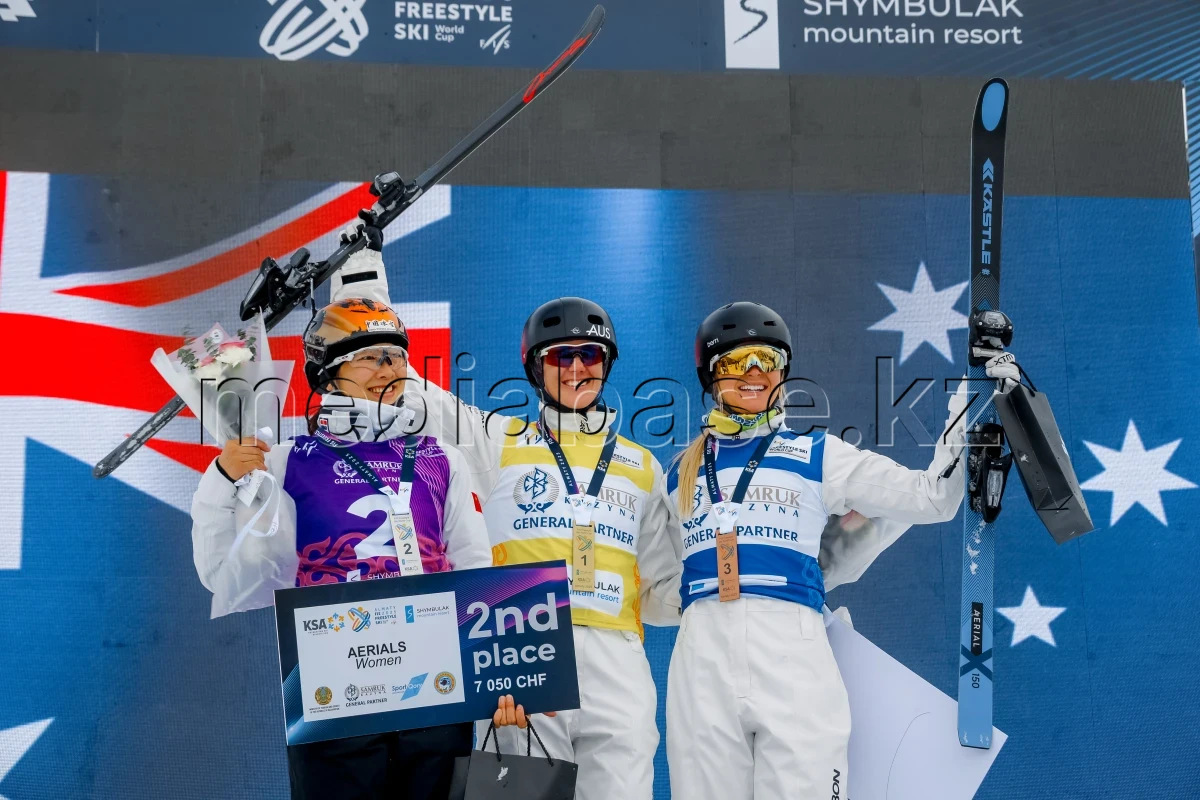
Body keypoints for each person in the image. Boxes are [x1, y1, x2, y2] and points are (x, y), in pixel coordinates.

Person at [329, 240, 682, 800]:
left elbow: (668, 592)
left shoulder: (643, 466)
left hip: (619, 666)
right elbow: (411, 395)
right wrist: (363, 290)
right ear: (533, 367)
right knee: (517, 795)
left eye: (589, 356)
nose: (575, 369)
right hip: (523, 657)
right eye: (558, 357)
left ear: (607, 364)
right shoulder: (499, 441)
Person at [664, 301, 1019, 799]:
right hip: (700, 662)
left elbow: (930, 497)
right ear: (710, 377)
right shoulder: (677, 477)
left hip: (791, 650)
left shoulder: (818, 455)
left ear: (784, 372)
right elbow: (639, 588)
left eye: (766, 360)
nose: (752, 375)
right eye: (734, 363)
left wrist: (974, 392)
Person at [189, 276, 508, 800]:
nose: (390, 368)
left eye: (395, 356)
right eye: (370, 358)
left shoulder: (441, 458)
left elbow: (474, 574)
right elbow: (225, 572)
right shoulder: (286, 460)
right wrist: (223, 480)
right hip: (333, 695)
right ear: (329, 377)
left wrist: (495, 678)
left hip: (435, 695)